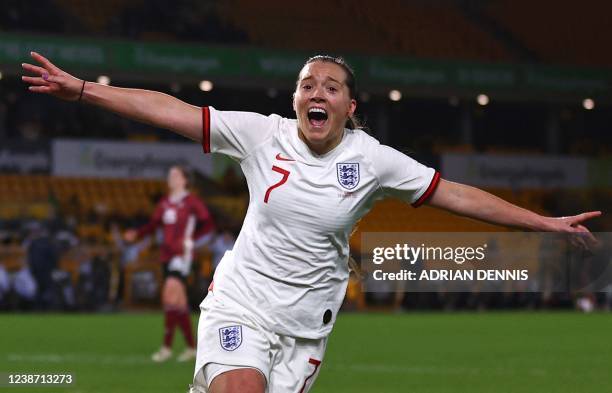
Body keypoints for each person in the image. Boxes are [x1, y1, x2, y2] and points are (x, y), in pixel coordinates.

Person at [22, 52, 600, 393]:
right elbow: (170, 110)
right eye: (307, 84)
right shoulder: (260, 135)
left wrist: (543, 224)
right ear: (295, 98)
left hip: (305, 327)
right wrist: (84, 92)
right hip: (242, 303)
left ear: (351, 109)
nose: (316, 92)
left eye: (331, 87)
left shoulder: (372, 160)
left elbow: (456, 196)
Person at [123, 165, 215, 362]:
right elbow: (153, 225)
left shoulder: (191, 202)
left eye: (174, 175)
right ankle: (191, 347)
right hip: (166, 256)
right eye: (169, 175)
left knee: (168, 296)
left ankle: (166, 348)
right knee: (177, 302)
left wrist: (191, 240)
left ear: (184, 180)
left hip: (181, 256)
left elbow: (208, 223)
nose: (170, 178)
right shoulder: (165, 203)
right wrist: (137, 234)